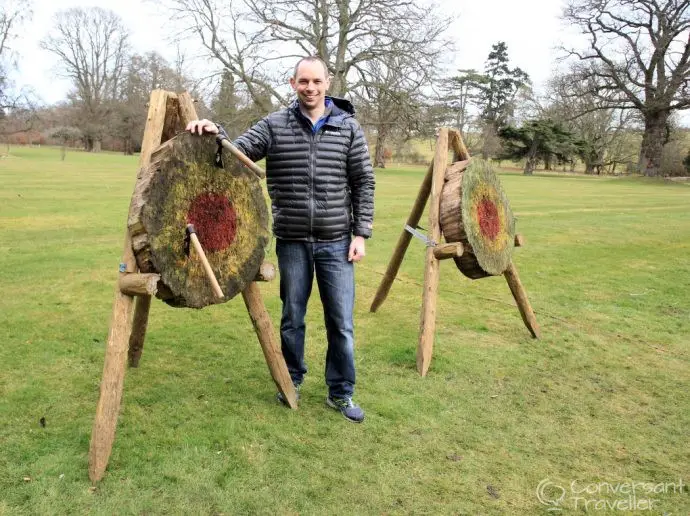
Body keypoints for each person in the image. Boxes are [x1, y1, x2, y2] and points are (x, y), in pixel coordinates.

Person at [186, 56, 375, 423]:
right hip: (292, 242)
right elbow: (235, 153)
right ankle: (292, 378)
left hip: (337, 242)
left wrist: (360, 234)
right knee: (292, 317)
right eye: (303, 81)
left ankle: (341, 391)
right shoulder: (275, 125)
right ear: (293, 84)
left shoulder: (348, 128)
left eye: (317, 82)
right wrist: (214, 130)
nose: (310, 88)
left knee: (341, 322)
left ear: (327, 83)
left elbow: (363, 182)